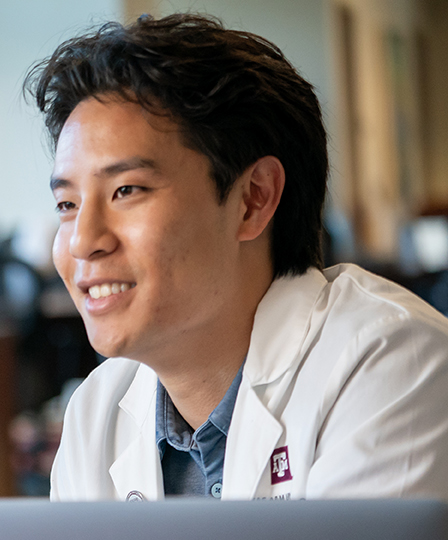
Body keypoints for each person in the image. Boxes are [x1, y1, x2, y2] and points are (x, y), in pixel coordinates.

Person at [33, 14, 448, 502]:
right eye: (68, 204)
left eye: (126, 190)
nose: (83, 241)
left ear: (253, 199)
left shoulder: (391, 365)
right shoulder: (96, 411)